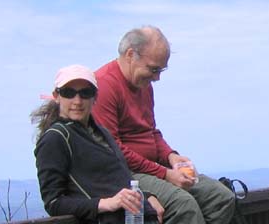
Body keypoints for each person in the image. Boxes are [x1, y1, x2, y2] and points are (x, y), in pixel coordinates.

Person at [91, 26, 236, 224]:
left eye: (161, 70)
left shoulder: (144, 85)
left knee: (221, 198)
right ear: (131, 55)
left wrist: (171, 156)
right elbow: (114, 150)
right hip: (127, 174)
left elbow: (150, 132)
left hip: (155, 166)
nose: (157, 77)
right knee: (184, 205)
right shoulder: (105, 85)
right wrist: (166, 174)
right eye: (153, 69)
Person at [31, 64, 164, 224]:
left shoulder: (101, 132)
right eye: (69, 93)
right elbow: (54, 202)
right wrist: (105, 204)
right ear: (57, 96)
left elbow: (117, 180)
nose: (77, 101)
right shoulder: (55, 138)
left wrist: (147, 196)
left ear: (95, 97)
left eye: (85, 93)